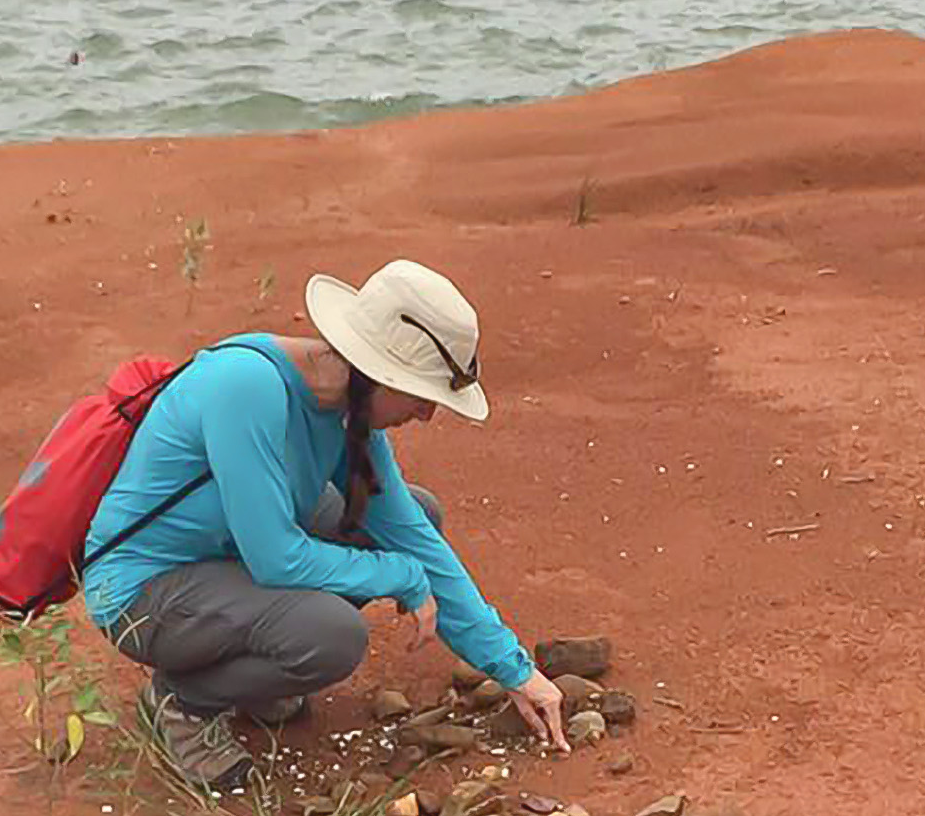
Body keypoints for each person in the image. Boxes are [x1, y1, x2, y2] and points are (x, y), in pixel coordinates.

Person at [80, 259, 570, 789]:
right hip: (141, 590)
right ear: (378, 373)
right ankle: (183, 703)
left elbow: (413, 537)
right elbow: (276, 558)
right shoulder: (246, 386)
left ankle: (252, 672)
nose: (427, 416)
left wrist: (515, 671)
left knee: (418, 512)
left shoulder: (344, 411)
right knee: (331, 634)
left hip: (226, 558)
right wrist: (400, 577)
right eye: (422, 396)